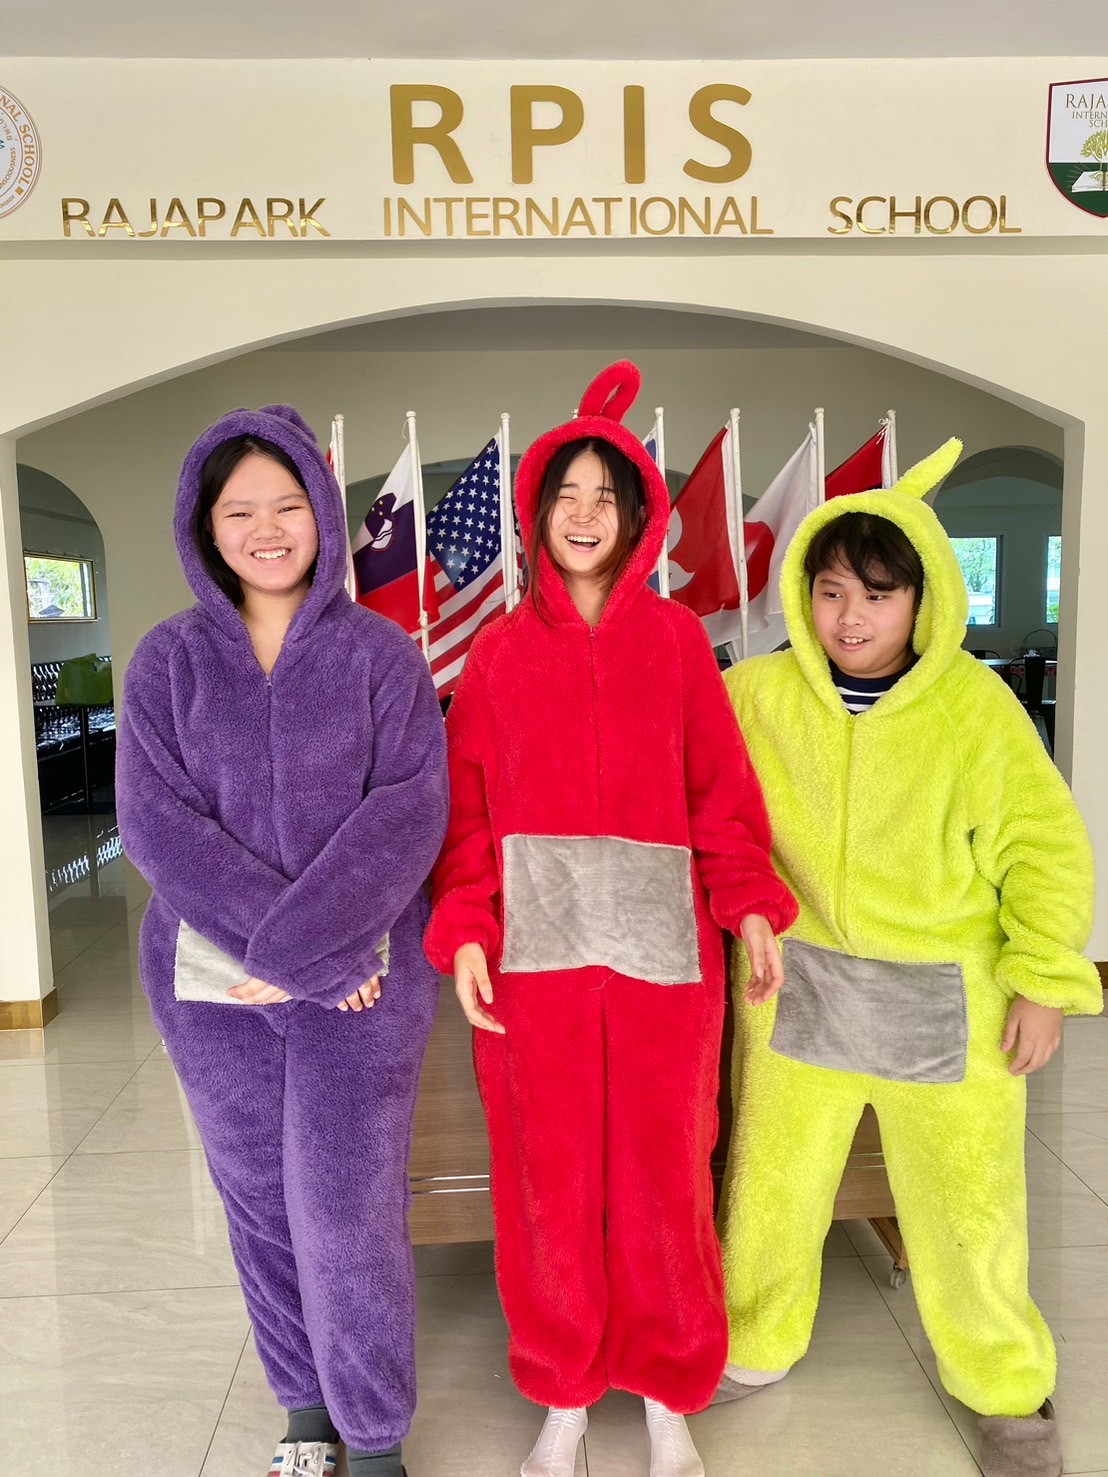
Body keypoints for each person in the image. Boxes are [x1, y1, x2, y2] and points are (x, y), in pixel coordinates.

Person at [424, 362, 797, 1477]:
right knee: (547, 1185)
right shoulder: (498, 653)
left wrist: (751, 905)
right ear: (537, 511)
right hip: (534, 975)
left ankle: (669, 1388)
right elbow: (466, 814)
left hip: (662, 968)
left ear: (636, 516)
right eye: (566, 494)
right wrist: (467, 925)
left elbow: (722, 798)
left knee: (665, 1178)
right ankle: (565, 1393)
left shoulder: (677, 642)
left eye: (605, 495)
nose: (584, 514)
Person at [715, 440, 1102, 1477]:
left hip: (948, 997)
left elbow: (1044, 849)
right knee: (769, 1187)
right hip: (798, 986)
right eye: (831, 591)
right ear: (802, 593)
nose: (851, 618)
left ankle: (1005, 1385)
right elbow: (717, 815)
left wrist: (1043, 981)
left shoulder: (976, 709)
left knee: (970, 1206)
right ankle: (752, 1338)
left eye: (877, 596)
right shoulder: (756, 695)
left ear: (922, 600)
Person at [116, 404, 447, 1477]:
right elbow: (157, 827)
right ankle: (305, 1410)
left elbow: (407, 813)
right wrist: (296, 956)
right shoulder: (168, 662)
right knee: (258, 1201)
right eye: (239, 510)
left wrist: (318, 956)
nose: (266, 529)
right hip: (214, 991)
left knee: (348, 1211)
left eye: (288, 504)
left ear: (322, 512)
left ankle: (375, 1436)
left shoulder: (381, 656)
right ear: (204, 526)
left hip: (365, 984)